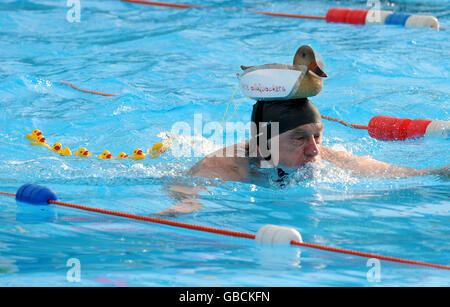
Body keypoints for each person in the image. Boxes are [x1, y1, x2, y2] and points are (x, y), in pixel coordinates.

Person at [155, 98, 449, 216]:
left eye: (317, 135)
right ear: (263, 146)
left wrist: (438, 173)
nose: (314, 150)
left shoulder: (320, 153)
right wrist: (186, 202)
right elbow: (184, 187)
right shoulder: (227, 167)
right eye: (299, 138)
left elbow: (375, 169)